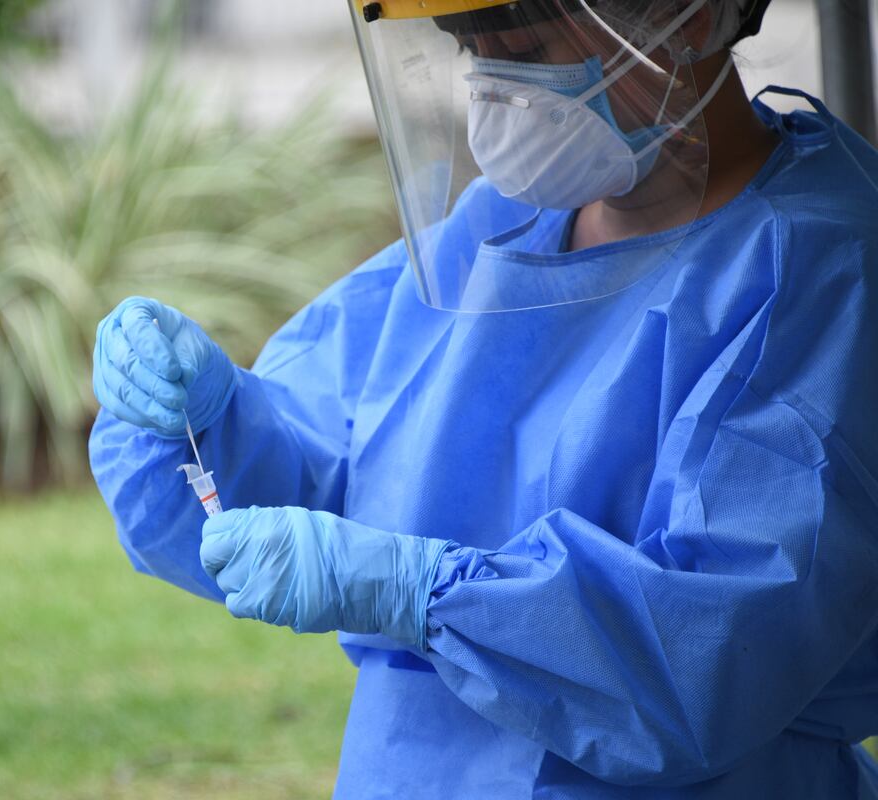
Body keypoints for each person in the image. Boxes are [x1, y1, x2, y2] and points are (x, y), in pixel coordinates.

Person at [89, 0, 878, 796]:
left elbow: (709, 659)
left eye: (529, 45)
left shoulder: (821, 270)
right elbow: (322, 456)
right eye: (468, 45)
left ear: (695, 17)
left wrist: (419, 590)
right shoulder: (500, 230)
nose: (496, 81)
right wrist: (206, 414)